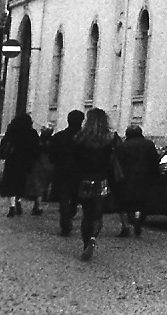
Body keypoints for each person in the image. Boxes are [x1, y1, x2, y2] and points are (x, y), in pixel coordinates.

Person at [70, 108, 119, 261]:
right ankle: (93, 238)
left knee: (86, 214)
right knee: (97, 214)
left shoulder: (80, 138)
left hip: (84, 179)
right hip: (101, 179)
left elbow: (75, 162)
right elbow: (113, 163)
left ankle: (86, 244)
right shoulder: (110, 139)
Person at [112, 124, 161, 237]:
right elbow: (154, 162)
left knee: (123, 203)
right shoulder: (149, 145)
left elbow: (117, 164)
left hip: (126, 179)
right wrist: (155, 177)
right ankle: (138, 219)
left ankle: (126, 226)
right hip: (145, 178)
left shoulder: (123, 146)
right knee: (141, 202)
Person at [0, 112, 41, 217]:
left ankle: (12, 206)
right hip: (26, 163)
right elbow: (36, 148)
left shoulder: (11, 132)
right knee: (21, 184)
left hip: (12, 162)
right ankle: (19, 201)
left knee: (11, 184)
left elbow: (4, 145)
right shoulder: (31, 133)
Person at [47, 110, 84, 237]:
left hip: (62, 171)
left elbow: (51, 156)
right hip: (79, 172)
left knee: (63, 197)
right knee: (75, 196)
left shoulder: (58, 137)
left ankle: (65, 218)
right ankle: (70, 212)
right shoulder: (84, 137)